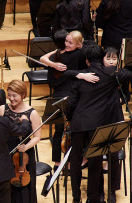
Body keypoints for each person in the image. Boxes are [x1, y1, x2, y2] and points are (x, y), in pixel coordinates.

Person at [64, 45, 131, 203]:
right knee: (95, 161)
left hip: (79, 123)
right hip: (97, 123)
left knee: (75, 160)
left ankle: (75, 197)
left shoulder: (80, 76)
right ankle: (94, 199)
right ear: (101, 58)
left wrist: (70, 119)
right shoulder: (110, 74)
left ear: (86, 60)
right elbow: (129, 74)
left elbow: (71, 102)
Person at [40, 30, 94, 170]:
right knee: (59, 129)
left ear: (78, 45)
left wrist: (81, 75)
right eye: (66, 41)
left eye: (70, 42)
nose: (66, 44)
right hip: (60, 91)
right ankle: (58, 162)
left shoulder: (81, 54)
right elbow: (43, 58)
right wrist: (53, 65)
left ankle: (78, 159)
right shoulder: (59, 53)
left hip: (74, 92)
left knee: (77, 128)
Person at [0, 80, 41, 203]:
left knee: (23, 192)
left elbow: (37, 136)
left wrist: (25, 147)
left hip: (24, 156)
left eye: (14, 96)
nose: (11, 99)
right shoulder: (3, 109)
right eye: (9, 95)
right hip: (6, 153)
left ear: (23, 95)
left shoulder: (32, 113)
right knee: (6, 190)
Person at [95, 0, 132, 113]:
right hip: (130, 38)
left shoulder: (106, 2)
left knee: (110, 69)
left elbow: (99, 23)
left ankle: (111, 98)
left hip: (112, 38)